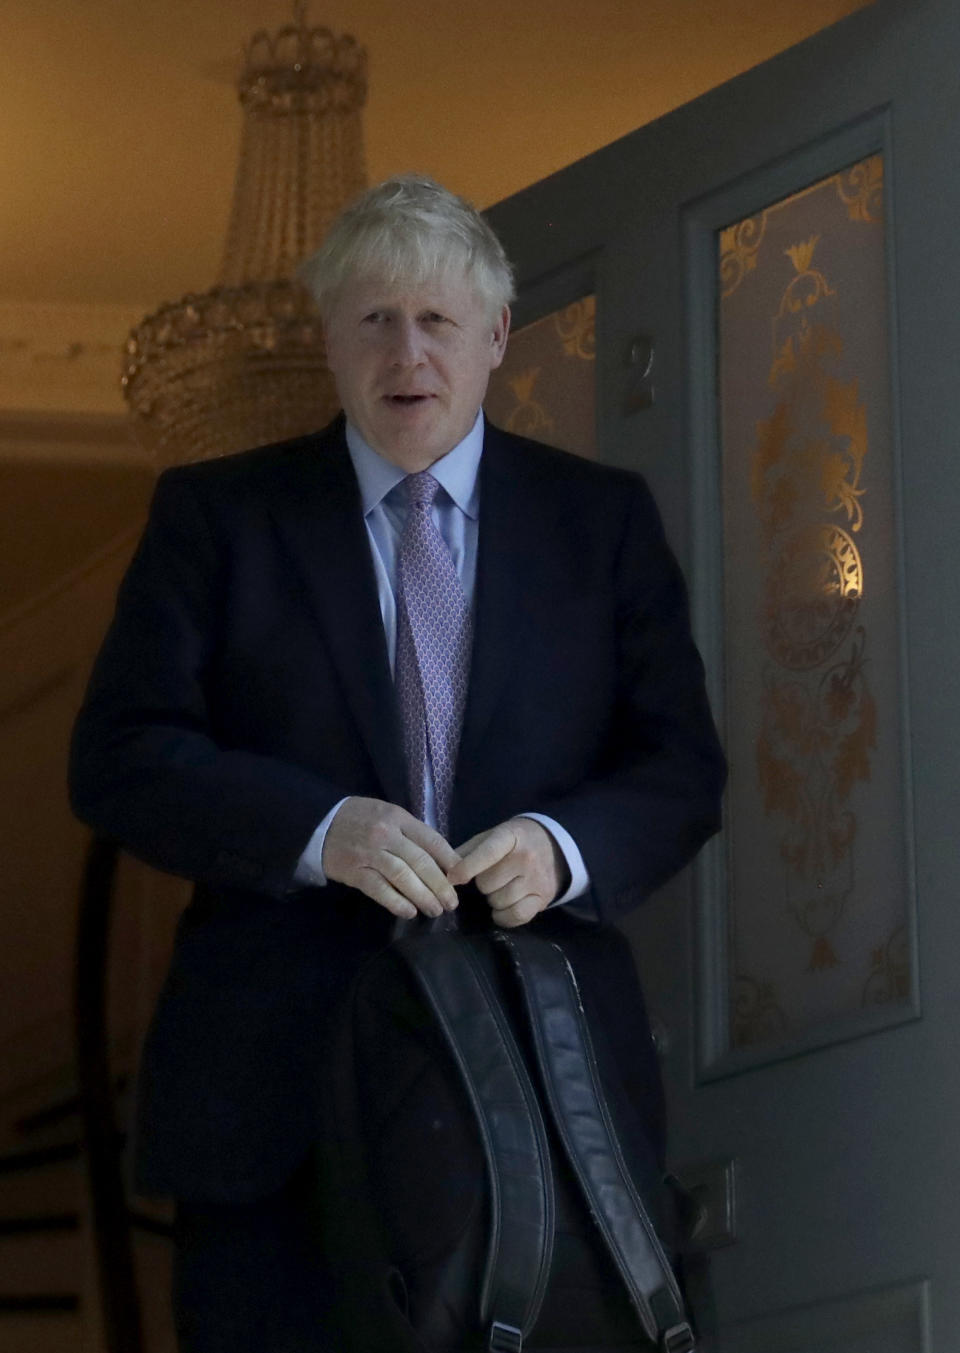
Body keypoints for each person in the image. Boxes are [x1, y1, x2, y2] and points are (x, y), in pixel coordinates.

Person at [70, 174, 726, 1352]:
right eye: (374, 319)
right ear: (330, 341)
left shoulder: (600, 522)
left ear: (497, 337)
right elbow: (120, 755)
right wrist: (322, 831)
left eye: (435, 320)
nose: (406, 352)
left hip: (542, 1092)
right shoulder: (217, 518)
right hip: (273, 1100)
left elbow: (680, 769)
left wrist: (562, 848)